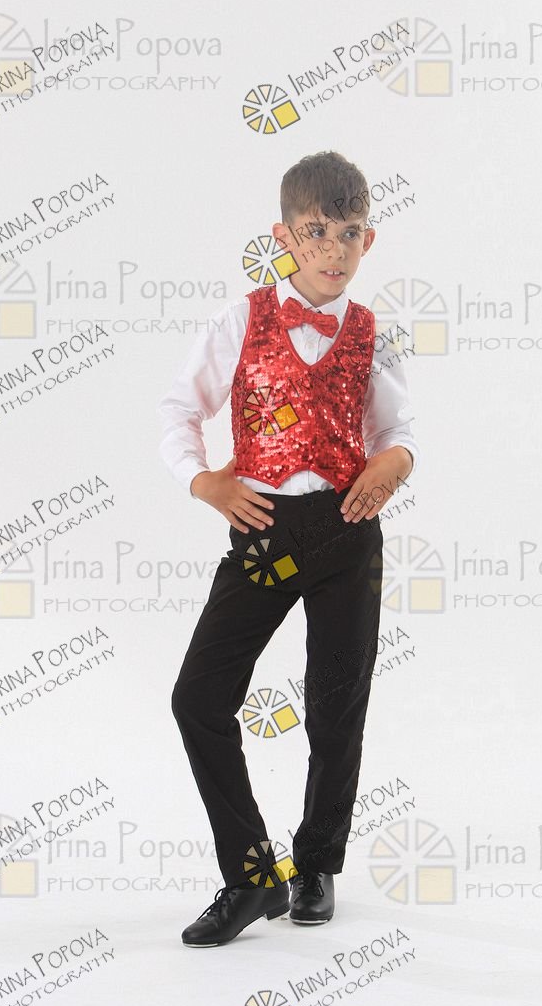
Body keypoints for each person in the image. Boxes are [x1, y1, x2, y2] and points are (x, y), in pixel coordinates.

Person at [157, 150, 419, 947]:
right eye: (316, 232)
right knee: (199, 698)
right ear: (284, 236)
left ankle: (317, 863)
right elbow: (178, 410)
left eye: (349, 233)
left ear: (368, 240)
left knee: (337, 705)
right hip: (264, 527)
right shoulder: (239, 321)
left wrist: (394, 462)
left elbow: (397, 430)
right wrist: (205, 482)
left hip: (347, 530)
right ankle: (251, 876)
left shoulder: (371, 334)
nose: (333, 250)